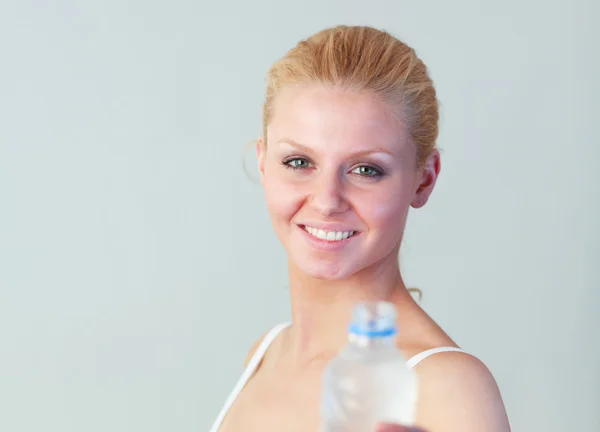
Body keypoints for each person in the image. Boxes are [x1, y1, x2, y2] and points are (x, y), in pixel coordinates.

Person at [210, 25, 511, 432]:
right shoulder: (265, 352)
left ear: (423, 180)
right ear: (264, 164)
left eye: (366, 170)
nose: (327, 200)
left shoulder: (448, 389)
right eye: (299, 162)